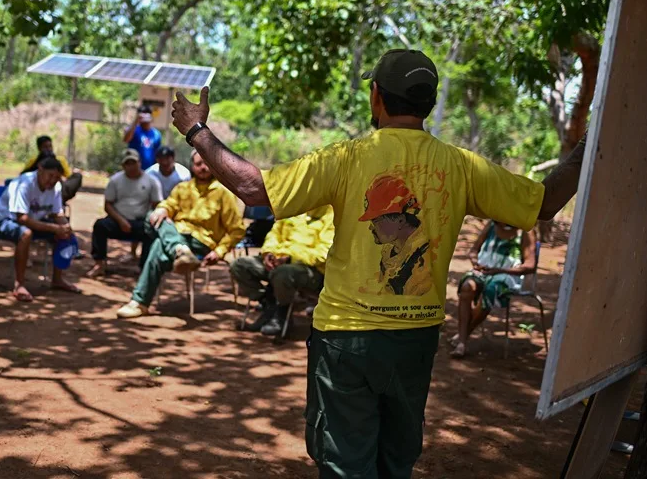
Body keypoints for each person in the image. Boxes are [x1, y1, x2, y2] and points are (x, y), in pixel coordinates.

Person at [170, 48, 586, 478]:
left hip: (347, 342)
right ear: (427, 103)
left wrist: (198, 130)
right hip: (416, 340)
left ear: (376, 98)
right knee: (395, 461)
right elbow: (545, 201)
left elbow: (254, 189)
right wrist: (590, 141)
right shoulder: (461, 166)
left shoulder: (345, 158)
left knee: (345, 463)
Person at [115, 150, 245, 319]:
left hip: (202, 242)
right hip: (178, 234)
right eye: (198, 164)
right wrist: (162, 210)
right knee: (152, 217)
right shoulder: (183, 188)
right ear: (192, 166)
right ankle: (179, 249)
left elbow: (237, 229)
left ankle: (140, 302)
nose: (203, 168)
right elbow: (169, 205)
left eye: (207, 164)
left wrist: (219, 251)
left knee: (157, 246)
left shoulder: (223, 192)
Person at [231, 205, 334, 336]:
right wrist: (269, 253)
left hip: (310, 269)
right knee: (239, 265)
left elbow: (325, 253)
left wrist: (290, 257)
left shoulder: (331, 215)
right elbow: (273, 235)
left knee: (282, 273)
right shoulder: (293, 208)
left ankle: (282, 311)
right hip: (279, 261)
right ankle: (268, 303)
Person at [0, 156, 78, 301]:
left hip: (33, 221)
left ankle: (57, 279)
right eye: (50, 176)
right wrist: (54, 228)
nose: (52, 181)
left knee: (63, 234)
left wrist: (65, 227)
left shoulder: (56, 187)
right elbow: (22, 218)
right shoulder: (24, 184)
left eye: (56, 178)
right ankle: (19, 285)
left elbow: (57, 213)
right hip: (5, 221)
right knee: (25, 234)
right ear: (40, 170)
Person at [452, 221, 538, 358]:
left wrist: (500, 270)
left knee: (491, 291)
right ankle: (462, 340)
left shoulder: (525, 231)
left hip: (507, 275)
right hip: (484, 270)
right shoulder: (491, 225)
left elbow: (530, 265)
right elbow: (474, 250)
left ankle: (462, 339)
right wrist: (475, 263)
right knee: (467, 286)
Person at [87, 149, 163, 278]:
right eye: (128, 163)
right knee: (100, 226)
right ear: (123, 166)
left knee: (152, 231)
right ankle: (99, 264)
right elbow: (108, 205)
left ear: (139, 163)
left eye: (134, 163)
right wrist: (120, 220)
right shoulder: (115, 180)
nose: (131, 166)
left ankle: (144, 268)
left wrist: (151, 217)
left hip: (140, 221)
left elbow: (157, 205)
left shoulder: (152, 181)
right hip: (118, 220)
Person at [23, 135, 83, 205]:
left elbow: (67, 177)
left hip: (58, 190)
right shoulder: (33, 161)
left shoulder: (60, 160)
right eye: (45, 147)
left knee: (77, 176)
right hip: (38, 191)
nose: (48, 149)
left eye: (50, 146)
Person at [123, 104, 161, 170]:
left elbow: (157, 154)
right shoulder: (134, 130)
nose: (145, 118)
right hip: (133, 169)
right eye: (143, 115)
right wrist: (136, 121)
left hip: (150, 170)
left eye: (147, 115)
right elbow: (126, 140)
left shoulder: (156, 134)